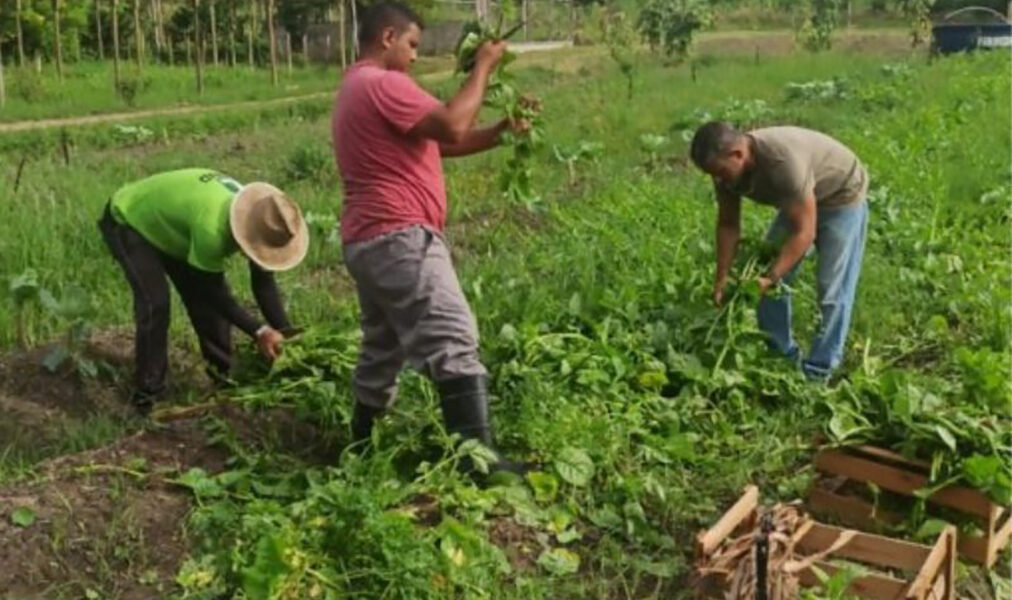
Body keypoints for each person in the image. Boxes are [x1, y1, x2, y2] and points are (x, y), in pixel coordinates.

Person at [332, 2, 530, 474]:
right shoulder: (383, 83)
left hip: (368, 240)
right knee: (453, 334)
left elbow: (445, 141)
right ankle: (477, 463)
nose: (415, 57)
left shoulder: (354, 86)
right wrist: (483, 66)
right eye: (412, 45)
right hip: (399, 236)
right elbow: (451, 123)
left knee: (383, 348)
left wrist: (502, 131)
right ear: (387, 38)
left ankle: (358, 447)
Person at [98, 168, 309, 413]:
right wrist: (259, 330)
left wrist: (288, 334)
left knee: (206, 307)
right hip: (130, 219)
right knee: (156, 303)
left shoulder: (259, 220)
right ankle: (147, 397)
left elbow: (263, 284)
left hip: (173, 227)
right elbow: (213, 291)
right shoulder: (213, 229)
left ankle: (224, 379)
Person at [690, 122, 870, 380]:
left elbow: (804, 233)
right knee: (763, 285)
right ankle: (781, 358)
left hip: (841, 195)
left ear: (738, 154)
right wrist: (722, 277)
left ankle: (819, 371)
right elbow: (728, 224)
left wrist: (770, 278)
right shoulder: (725, 174)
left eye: (720, 172)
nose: (718, 180)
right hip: (798, 200)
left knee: (832, 289)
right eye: (712, 175)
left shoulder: (783, 162)